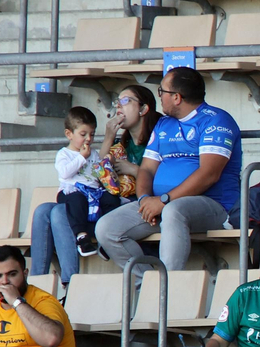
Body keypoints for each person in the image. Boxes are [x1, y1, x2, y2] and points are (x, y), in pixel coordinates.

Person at [97, 67, 242, 271]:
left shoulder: (216, 120)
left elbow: (209, 174)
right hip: (160, 203)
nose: (160, 97)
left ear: (176, 97)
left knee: (174, 211)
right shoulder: (163, 124)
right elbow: (146, 170)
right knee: (106, 228)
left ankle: (169, 288)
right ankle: (148, 286)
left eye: (161, 92)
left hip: (213, 205)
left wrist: (164, 201)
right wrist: (145, 199)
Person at [34, 85, 158, 286]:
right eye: (118, 101)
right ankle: (36, 283)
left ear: (143, 109)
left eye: (125, 101)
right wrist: (109, 136)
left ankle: (70, 282)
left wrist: (133, 169)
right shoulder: (121, 144)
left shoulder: (156, 139)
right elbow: (99, 169)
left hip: (126, 207)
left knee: (58, 213)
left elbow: (160, 178)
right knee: (42, 211)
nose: (119, 106)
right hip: (90, 202)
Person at [54, 107, 121, 258]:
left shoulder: (94, 153)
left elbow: (99, 175)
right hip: (71, 191)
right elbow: (64, 173)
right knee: (78, 200)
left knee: (112, 199)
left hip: (93, 191)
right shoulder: (64, 154)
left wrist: (107, 165)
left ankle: (106, 238)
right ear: (69, 134)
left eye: (92, 134)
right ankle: (82, 236)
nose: (88, 139)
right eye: (83, 134)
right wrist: (82, 157)